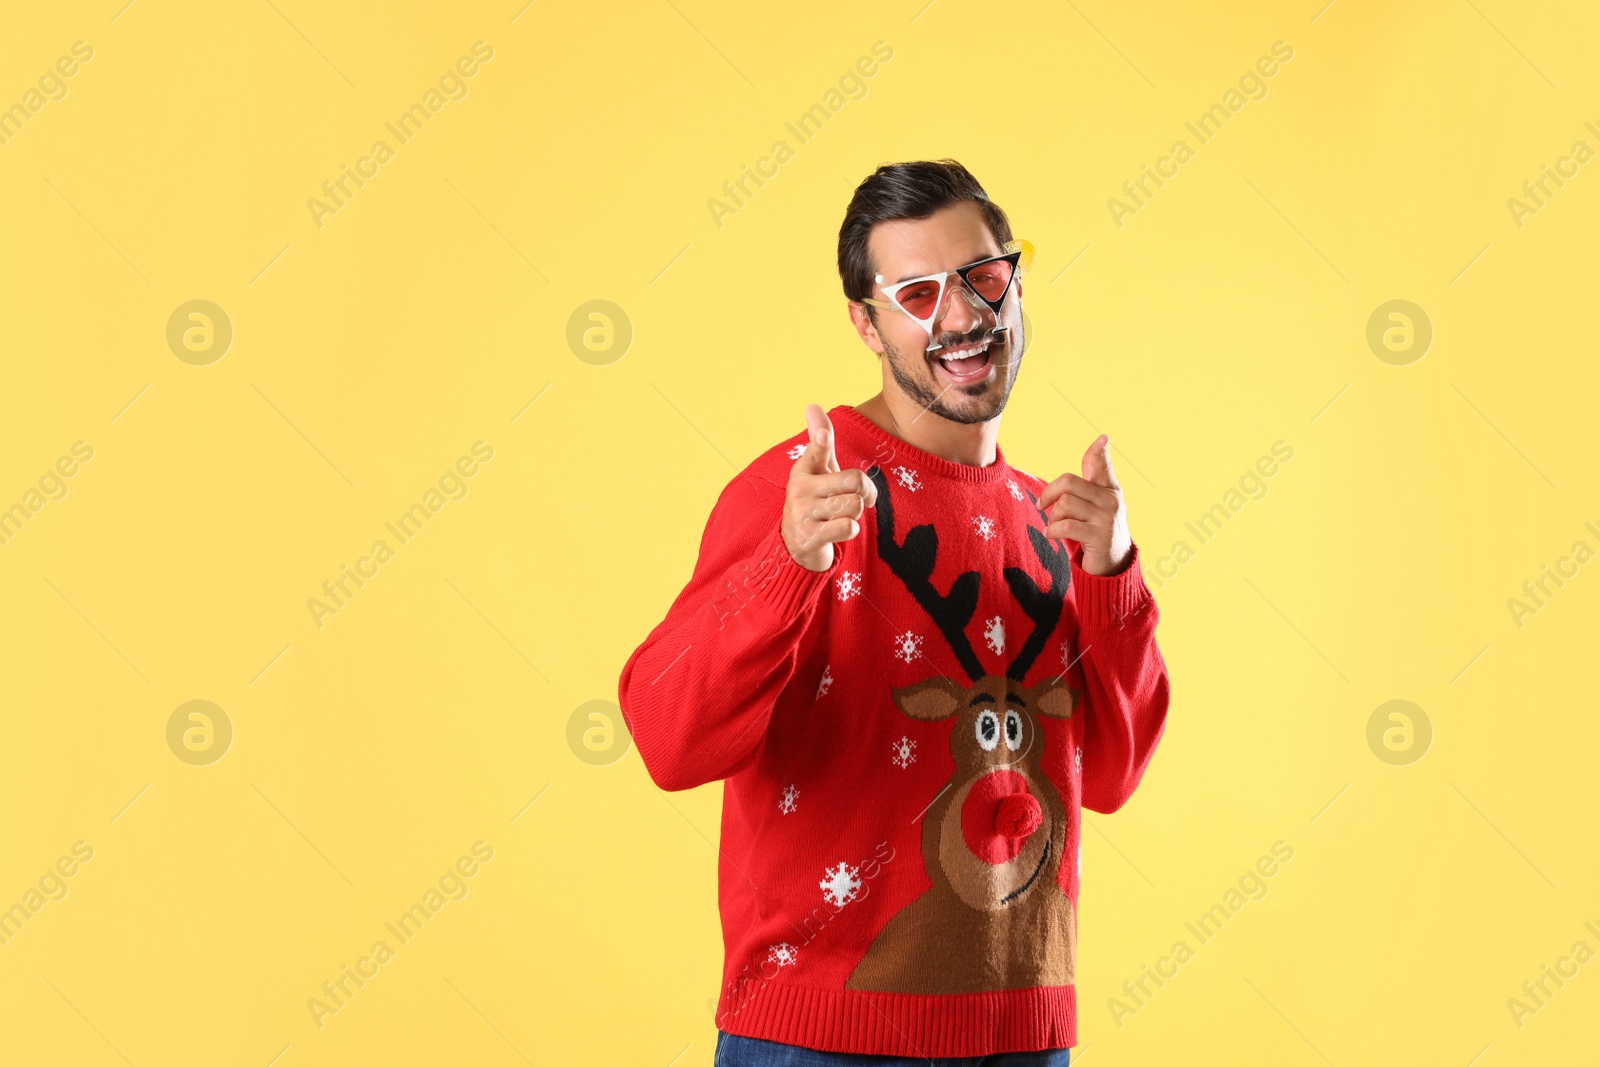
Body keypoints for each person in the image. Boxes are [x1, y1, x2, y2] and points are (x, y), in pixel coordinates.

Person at [618, 159, 1171, 1065]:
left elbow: (1111, 775)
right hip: (819, 1042)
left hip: (1025, 1038)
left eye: (983, 278)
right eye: (916, 293)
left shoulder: (1054, 519)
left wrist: (1111, 573)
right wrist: (786, 565)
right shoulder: (802, 494)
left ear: (1016, 283)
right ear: (866, 324)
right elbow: (667, 738)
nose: (962, 318)